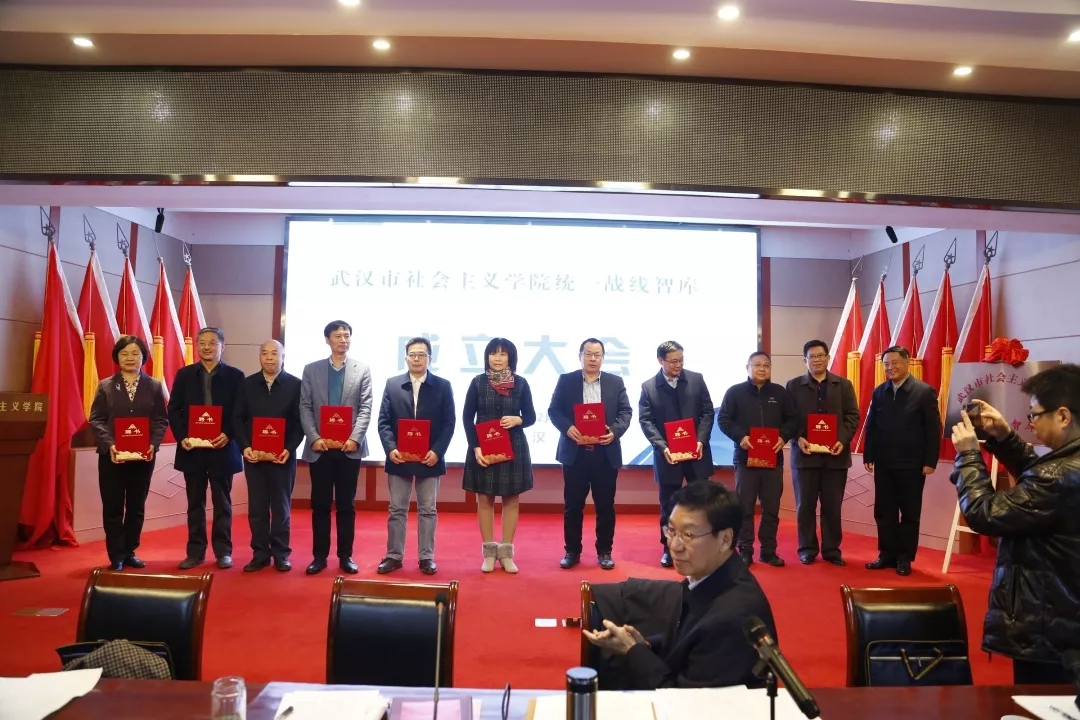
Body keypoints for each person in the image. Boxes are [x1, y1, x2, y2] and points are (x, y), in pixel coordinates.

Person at [949, 364, 1080, 685]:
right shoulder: (1065, 468)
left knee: (1043, 703)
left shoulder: (1058, 476)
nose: (1031, 422)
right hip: (1067, 617)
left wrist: (968, 455)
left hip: (1051, 625)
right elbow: (1040, 488)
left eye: (1035, 414)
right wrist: (1005, 438)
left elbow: (983, 512)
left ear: (1063, 416)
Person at [582, 481, 777, 689]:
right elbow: (686, 642)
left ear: (725, 539)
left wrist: (634, 651)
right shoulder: (711, 575)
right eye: (672, 531)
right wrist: (643, 645)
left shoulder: (732, 617)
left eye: (689, 535)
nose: (674, 546)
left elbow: (681, 700)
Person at [548, 338, 634, 570]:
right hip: (575, 454)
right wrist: (568, 428)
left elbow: (626, 412)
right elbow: (554, 410)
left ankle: (604, 551)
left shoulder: (615, 382)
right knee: (573, 506)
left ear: (603, 358)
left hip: (604, 454)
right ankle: (572, 551)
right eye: (588, 354)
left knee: (605, 506)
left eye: (597, 355)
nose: (593, 359)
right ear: (580, 356)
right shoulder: (566, 381)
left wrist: (614, 431)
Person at [88, 335, 170, 571]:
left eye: (135, 353)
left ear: (144, 356)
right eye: (124, 353)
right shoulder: (105, 385)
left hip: (143, 458)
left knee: (136, 506)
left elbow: (161, 420)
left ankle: (130, 550)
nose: (130, 358)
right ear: (117, 357)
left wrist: (153, 444)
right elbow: (97, 419)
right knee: (113, 506)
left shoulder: (154, 386)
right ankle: (116, 555)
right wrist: (110, 444)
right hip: (112, 456)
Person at [375, 336, 456, 576]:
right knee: (396, 509)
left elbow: (449, 423)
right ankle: (393, 555)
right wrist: (391, 448)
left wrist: (437, 451)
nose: (417, 359)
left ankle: (426, 557)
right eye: (412, 354)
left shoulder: (443, 386)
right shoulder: (392, 384)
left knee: (428, 510)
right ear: (406, 358)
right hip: (399, 457)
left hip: (430, 458)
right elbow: (383, 421)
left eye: (422, 354)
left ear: (430, 358)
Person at [299, 320, 373, 575]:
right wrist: (313, 437)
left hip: (349, 449)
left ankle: (345, 556)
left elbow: (366, 407)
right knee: (320, 505)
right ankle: (319, 557)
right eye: (338, 336)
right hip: (320, 448)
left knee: (346, 505)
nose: (343, 340)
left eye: (347, 335)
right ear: (327, 340)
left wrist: (354, 438)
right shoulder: (311, 370)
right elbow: (305, 406)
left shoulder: (362, 369)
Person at [168, 327, 245, 570]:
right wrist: (183, 437)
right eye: (202, 343)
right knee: (195, 503)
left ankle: (223, 552)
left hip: (223, 447)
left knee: (222, 502)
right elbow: (174, 409)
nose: (207, 347)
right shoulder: (185, 374)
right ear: (197, 346)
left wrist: (228, 434)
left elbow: (240, 412)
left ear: (223, 346)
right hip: (193, 449)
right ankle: (195, 552)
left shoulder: (235, 376)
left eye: (212, 342)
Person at [862, 345, 940, 576]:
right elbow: (872, 426)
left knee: (909, 512)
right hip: (884, 463)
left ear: (907, 362)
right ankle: (886, 555)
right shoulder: (879, 392)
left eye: (895, 362)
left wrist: (930, 461)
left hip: (912, 464)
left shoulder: (924, 392)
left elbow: (933, 430)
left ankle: (905, 558)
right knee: (884, 511)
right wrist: (868, 454)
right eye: (886, 364)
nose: (890, 368)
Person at [462, 337, 536, 573]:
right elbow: (467, 418)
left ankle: (506, 553)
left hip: (513, 446)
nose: (497, 358)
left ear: (510, 358)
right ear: (487, 357)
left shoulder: (521, 383)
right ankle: (489, 553)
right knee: (485, 499)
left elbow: (531, 417)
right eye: (493, 353)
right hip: (483, 447)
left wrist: (518, 419)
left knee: (511, 499)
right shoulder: (477, 382)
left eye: (503, 354)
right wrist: (476, 448)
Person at [639, 341, 715, 569]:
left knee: (701, 503)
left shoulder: (696, 379)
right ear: (660, 361)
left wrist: (701, 440)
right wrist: (662, 447)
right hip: (668, 457)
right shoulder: (649, 387)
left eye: (681, 360)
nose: (678, 365)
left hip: (697, 455)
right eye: (673, 361)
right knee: (669, 506)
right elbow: (646, 421)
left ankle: (703, 548)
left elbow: (707, 412)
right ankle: (669, 549)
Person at [717, 351, 798, 567]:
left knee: (771, 507)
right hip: (745, 459)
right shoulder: (734, 392)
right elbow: (723, 419)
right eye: (757, 365)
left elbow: (793, 420)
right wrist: (740, 437)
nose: (762, 369)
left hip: (773, 459)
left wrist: (783, 436)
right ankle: (745, 549)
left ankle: (768, 551)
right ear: (747, 367)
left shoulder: (780, 393)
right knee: (745, 506)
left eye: (766, 365)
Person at [785, 340, 860, 566]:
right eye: (812, 356)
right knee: (805, 506)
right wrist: (798, 437)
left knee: (832, 507)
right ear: (804, 360)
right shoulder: (793, 386)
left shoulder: (843, 385)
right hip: (804, 457)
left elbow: (852, 416)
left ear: (828, 358)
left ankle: (832, 550)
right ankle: (807, 549)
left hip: (835, 458)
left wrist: (842, 440)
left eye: (820, 356)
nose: (816, 360)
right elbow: (788, 418)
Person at [233, 340, 303, 573]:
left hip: (283, 457)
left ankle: (281, 554)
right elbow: (237, 418)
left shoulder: (295, 385)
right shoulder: (247, 384)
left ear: (283, 357)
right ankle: (260, 553)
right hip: (254, 457)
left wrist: (289, 448)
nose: (270, 357)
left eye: (275, 353)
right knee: (257, 508)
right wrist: (245, 447)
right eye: (265, 353)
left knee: (281, 508)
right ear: (260, 357)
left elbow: (299, 422)